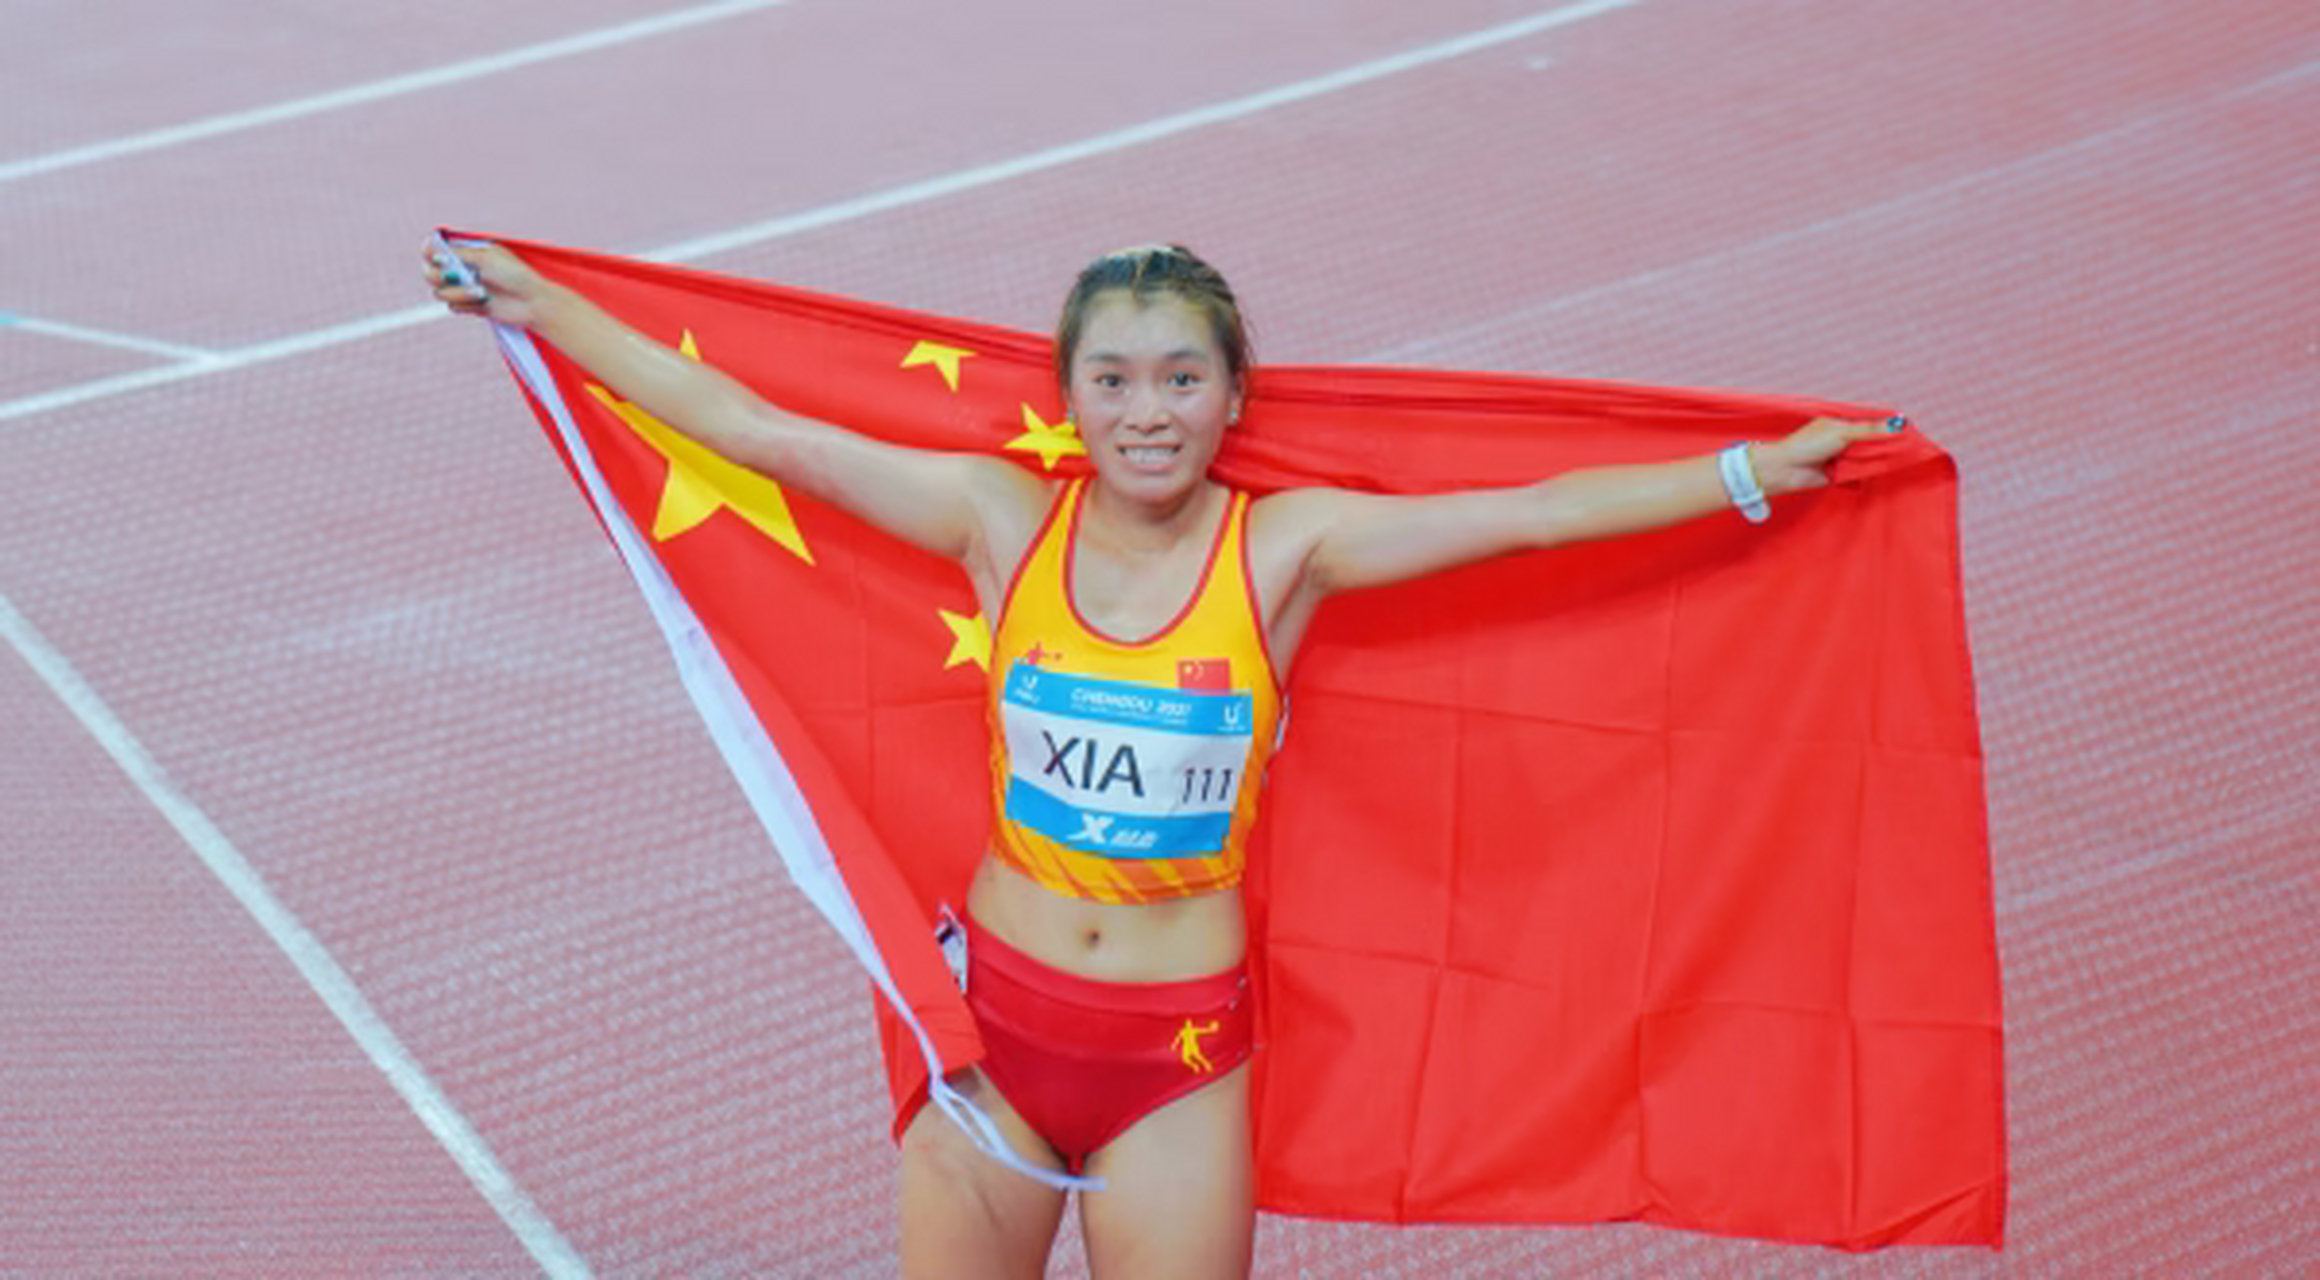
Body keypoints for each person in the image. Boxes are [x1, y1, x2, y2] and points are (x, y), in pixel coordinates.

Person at [425, 238, 1895, 1279]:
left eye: (1182, 380)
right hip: (993, 1041)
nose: (1148, 414)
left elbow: (1530, 514)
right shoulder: (1000, 522)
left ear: (1235, 397)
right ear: (1068, 400)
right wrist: (545, 306)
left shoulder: (1288, 551)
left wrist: (1747, 476)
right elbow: (751, 427)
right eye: (1115, 382)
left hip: (1176, 1065)